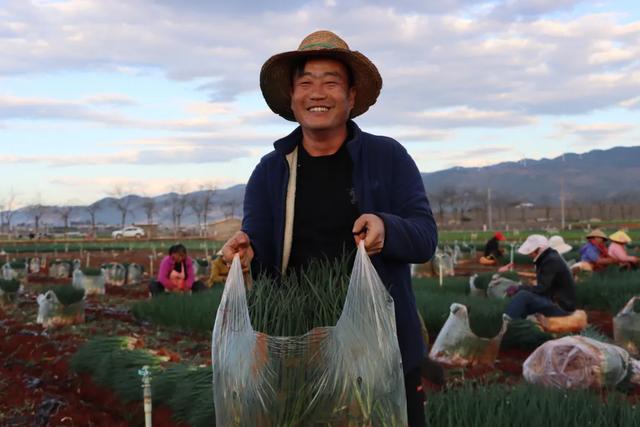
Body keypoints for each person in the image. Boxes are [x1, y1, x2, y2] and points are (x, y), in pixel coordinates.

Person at [221, 30, 438, 426]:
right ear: (291, 97)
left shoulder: (387, 157)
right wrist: (246, 256)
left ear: (351, 96)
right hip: (299, 355)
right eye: (305, 82)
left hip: (382, 349)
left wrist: (385, 228)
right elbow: (263, 260)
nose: (317, 93)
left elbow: (425, 237)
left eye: (331, 82)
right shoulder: (271, 171)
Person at [504, 234, 576, 319]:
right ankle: (516, 324)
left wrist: (519, 288)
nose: (529, 255)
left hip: (561, 307)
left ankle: (507, 323)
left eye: (530, 252)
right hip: (555, 301)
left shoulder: (550, 261)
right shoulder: (548, 257)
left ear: (539, 249)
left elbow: (542, 289)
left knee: (523, 295)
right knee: (522, 305)